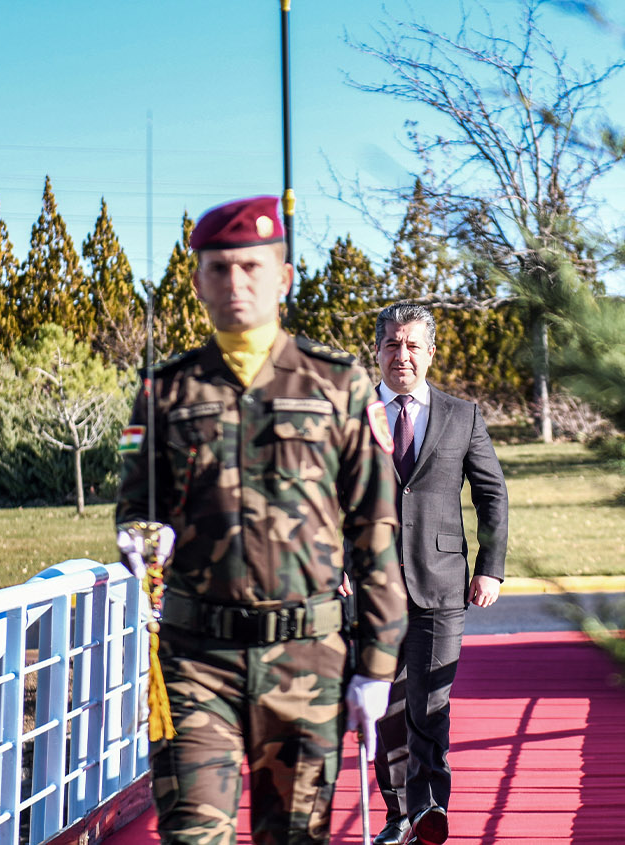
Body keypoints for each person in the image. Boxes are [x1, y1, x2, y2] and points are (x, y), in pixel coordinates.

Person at [115, 196, 408, 845]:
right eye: (217, 268)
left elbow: (376, 529)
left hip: (307, 657)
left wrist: (378, 664)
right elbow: (136, 506)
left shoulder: (339, 384)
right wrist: (140, 535)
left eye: (251, 266)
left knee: (295, 838)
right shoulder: (165, 390)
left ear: (284, 277)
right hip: (197, 661)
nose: (234, 282)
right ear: (197, 282)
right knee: (193, 836)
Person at [363, 303, 509, 845]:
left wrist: (491, 568)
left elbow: (492, 493)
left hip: (442, 582)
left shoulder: (461, 415)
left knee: (430, 701)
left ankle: (428, 809)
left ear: (430, 352)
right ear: (377, 352)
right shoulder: (353, 418)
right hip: (370, 590)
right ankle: (397, 813)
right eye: (391, 345)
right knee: (387, 710)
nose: (402, 355)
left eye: (412, 345)